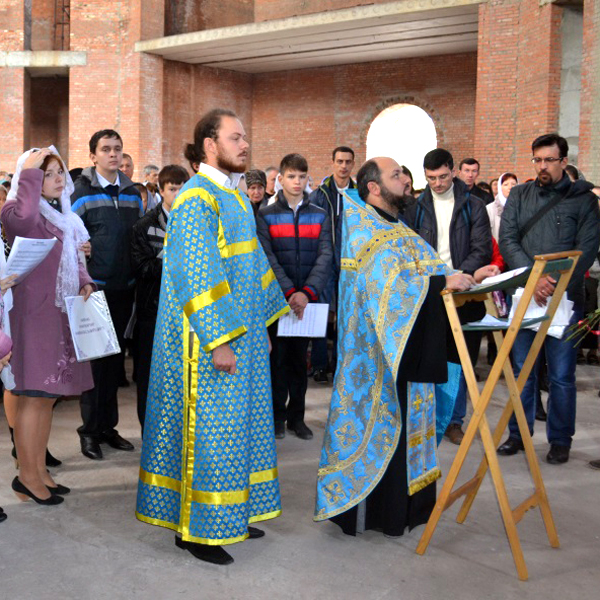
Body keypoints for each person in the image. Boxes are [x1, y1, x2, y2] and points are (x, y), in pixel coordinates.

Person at [136, 108, 289, 566]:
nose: (245, 145)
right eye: (235, 137)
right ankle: (199, 531)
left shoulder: (235, 197)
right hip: (202, 346)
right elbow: (195, 273)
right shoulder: (196, 199)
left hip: (242, 336)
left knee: (238, 430)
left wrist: (262, 323)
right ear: (209, 144)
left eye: (245, 137)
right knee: (209, 434)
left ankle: (229, 512)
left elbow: (253, 263)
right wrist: (219, 340)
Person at [314, 156, 490, 537]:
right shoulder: (362, 229)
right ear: (374, 187)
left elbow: (428, 271)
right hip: (376, 357)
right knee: (384, 426)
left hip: (408, 347)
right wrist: (444, 284)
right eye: (397, 175)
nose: (406, 181)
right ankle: (378, 515)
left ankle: (407, 511)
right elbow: (390, 287)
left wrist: (468, 276)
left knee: (410, 426)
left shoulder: (398, 228)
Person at [498, 133, 600, 464]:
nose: (542, 166)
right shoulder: (520, 195)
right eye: (537, 160)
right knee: (521, 371)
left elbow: (587, 249)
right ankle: (518, 434)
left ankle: (560, 440)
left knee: (560, 375)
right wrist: (534, 277)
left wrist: (552, 281)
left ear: (563, 162)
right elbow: (508, 238)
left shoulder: (583, 201)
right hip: (526, 294)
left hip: (565, 299)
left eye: (549, 160)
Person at [2, 147, 94, 505]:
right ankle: (26, 476)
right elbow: (23, 219)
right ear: (30, 180)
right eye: (49, 173)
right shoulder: (17, 213)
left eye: (60, 172)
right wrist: (29, 169)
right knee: (34, 399)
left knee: (47, 399)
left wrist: (86, 280)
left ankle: (39, 470)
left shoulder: (63, 216)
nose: (59, 179)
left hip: (59, 316)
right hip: (33, 319)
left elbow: (72, 257)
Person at [405, 148, 493, 445]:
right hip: (432, 293)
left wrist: (460, 277)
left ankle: (455, 421)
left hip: (465, 293)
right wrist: (440, 280)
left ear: (453, 171)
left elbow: (481, 249)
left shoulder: (474, 206)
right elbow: (412, 251)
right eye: (431, 178)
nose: (437, 183)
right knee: (431, 357)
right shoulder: (417, 208)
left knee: (460, 359)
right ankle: (429, 418)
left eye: (442, 177)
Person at [71, 129, 143, 460]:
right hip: (94, 289)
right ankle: (89, 431)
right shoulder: (81, 193)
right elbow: (70, 237)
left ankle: (108, 428)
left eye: (117, 149)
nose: (113, 154)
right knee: (94, 365)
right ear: (93, 156)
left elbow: (139, 237)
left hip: (124, 288)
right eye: (106, 149)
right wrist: (81, 250)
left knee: (114, 364)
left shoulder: (131, 193)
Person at [257, 153, 332, 440]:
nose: (297, 182)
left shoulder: (319, 214)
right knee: (277, 363)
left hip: (307, 304)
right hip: (279, 302)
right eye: (291, 176)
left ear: (308, 179)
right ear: (280, 180)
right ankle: (276, 416)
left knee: (301, 363)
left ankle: (296, 418)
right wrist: (290, 292)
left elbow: (326, 256)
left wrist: (307, 293)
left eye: (302, 176)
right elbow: (268, 258)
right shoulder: (266, 215)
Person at [130, 164, 189, 433]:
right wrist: (174, 260)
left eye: (182, 188)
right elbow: (141, 269)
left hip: (187, 312)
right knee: (150, 376)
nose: (178, 194)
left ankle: (178, 433)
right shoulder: (145, 226)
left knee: (181, 376)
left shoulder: (197, 222)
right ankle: (149, 433)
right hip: (153, 310)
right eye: (173, 189)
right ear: (161, 191)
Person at [309, 146, 357, 383]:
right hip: (324, 262)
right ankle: (319, 365)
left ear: (353, 164)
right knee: (321, 314)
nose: (344, 166)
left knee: (347, 316)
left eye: (348, 161)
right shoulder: (319, 195)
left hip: (350, 263)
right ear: (332, 162)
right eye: (339, 161)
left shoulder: (359, 195)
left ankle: (341, 364)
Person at [487, 172, 518, 241]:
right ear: (500, 187)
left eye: (513, 184)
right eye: (506, 184)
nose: (510, 187)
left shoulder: (523, 207)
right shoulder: (490, 209)